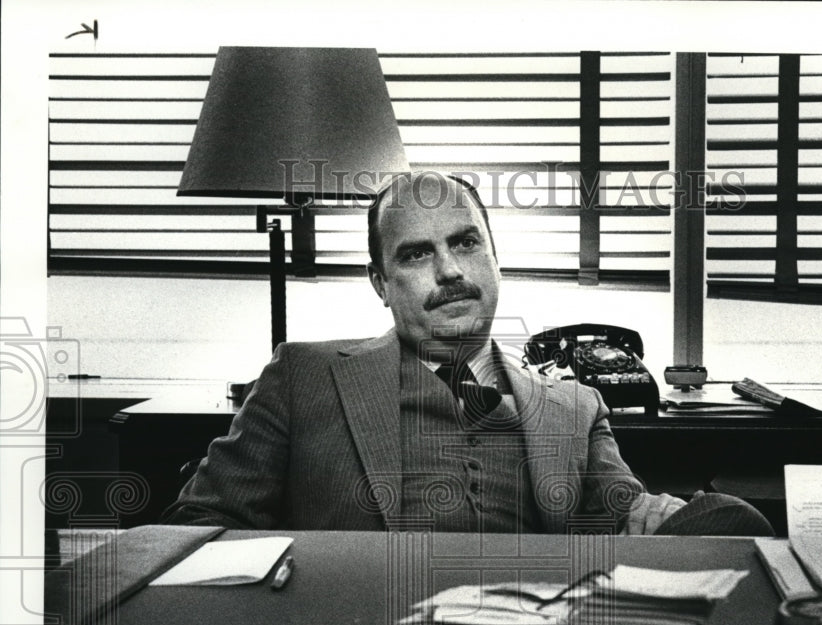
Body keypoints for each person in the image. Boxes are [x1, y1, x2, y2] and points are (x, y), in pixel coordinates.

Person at [163, 172, 771, 536]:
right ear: (380, 283)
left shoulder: (575, 404)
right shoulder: (303, 377)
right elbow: (200, 527)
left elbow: (624, 513)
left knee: (735, 523)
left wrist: (664, 517)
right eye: (416, 254)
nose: (450, 270)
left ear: (495, 258)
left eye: (465, 242)